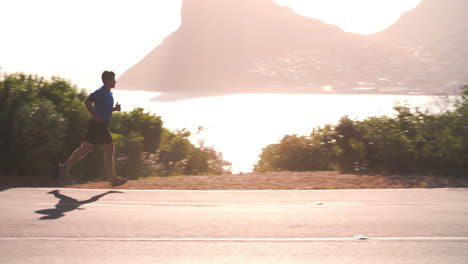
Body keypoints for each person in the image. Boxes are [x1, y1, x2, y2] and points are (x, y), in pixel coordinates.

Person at [58, 71, 128, 187]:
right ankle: (113, 179)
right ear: (107, 80)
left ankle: (65, 166)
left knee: (85, 149)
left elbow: (104, 109)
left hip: (97, 125)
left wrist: (114, 109)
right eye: (113, 79)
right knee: (110, 149)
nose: (115, 81)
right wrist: (94, 115)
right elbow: (87, 101)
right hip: (98, 125)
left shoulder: (109, 94)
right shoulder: (100, 92)